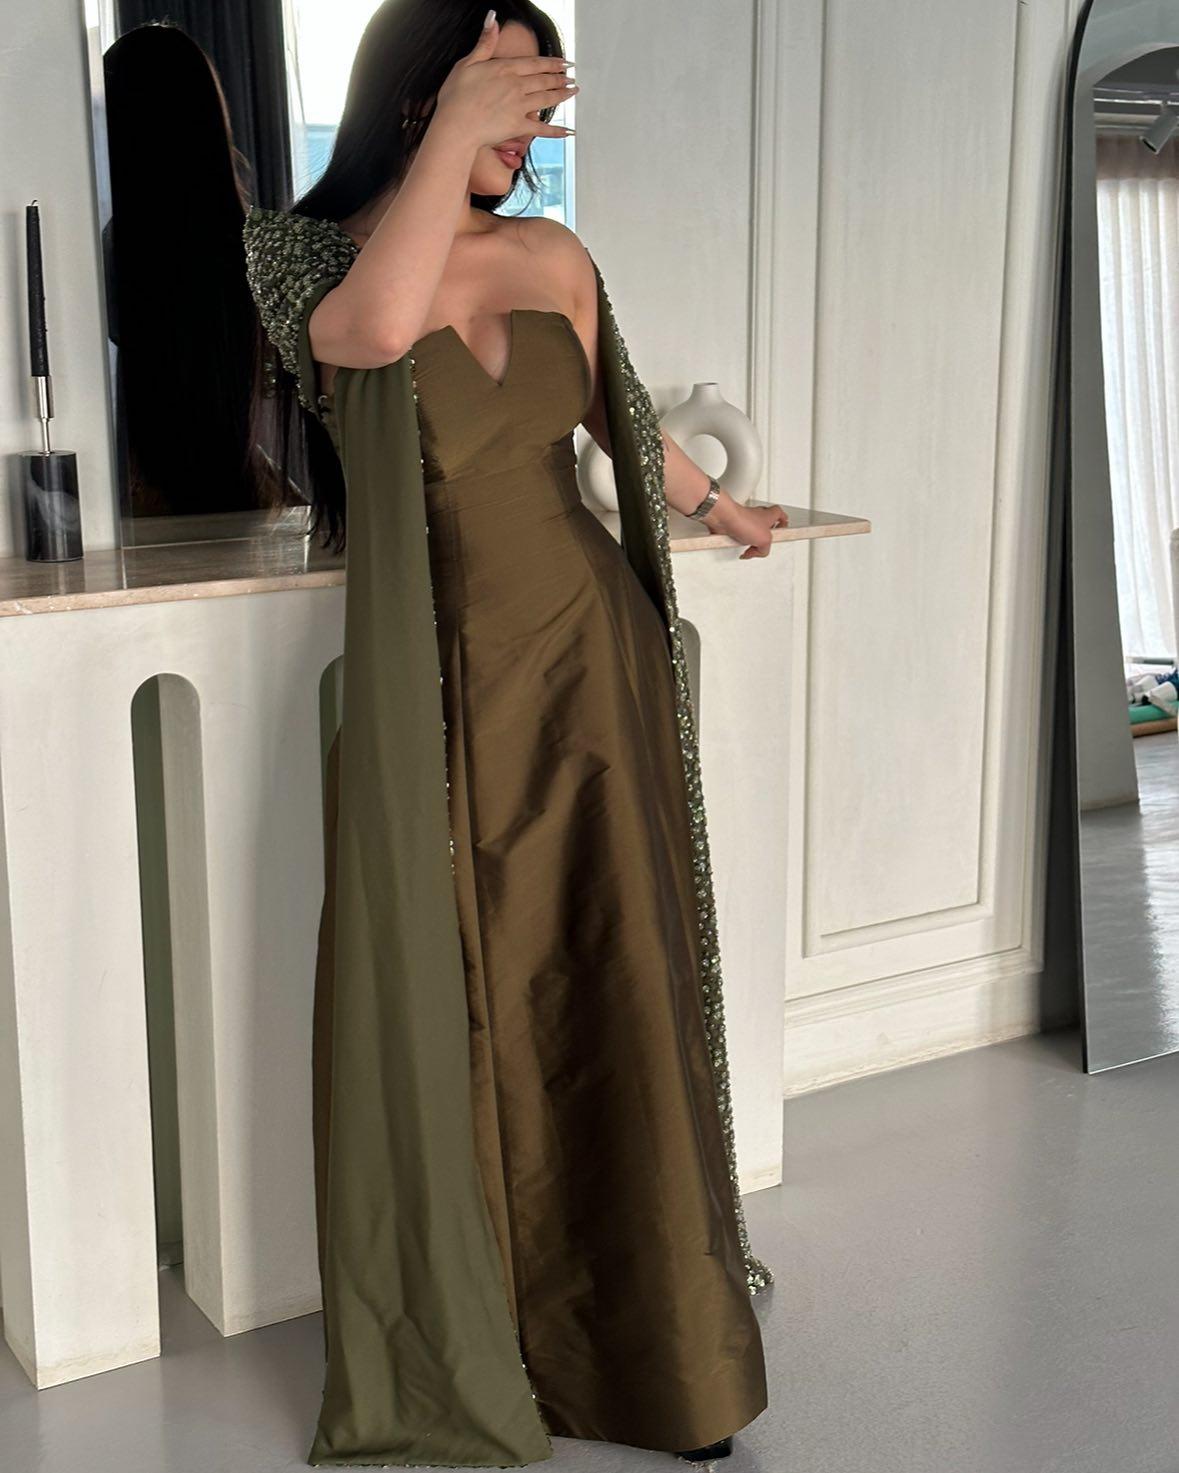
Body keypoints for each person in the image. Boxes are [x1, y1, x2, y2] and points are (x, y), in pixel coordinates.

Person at [243, 2, 783, 1467]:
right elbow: (371, 333)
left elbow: (621, 419)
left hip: (590, 662)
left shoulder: (554, 255)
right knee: (480, 1000)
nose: (534, 131)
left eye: (543, 107)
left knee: (613, 976)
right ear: (424, 90)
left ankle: (663, 1348)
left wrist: (724, 508)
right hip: (442, 686)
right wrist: (454, 130)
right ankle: (506, 1335)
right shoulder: (308, 259)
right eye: (512, 94)